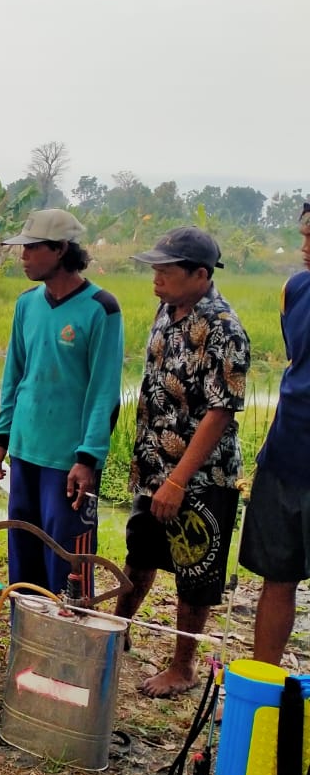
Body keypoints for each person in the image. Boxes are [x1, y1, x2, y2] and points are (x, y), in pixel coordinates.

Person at [113, 227, 250, 697]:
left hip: (200, 476)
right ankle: (115, 634)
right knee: (141, 553)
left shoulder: (223, 328)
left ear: (199, 274)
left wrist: (177, 480)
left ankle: (183, 666)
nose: (156, 276)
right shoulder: (166, 311)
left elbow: (221, 411)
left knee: (197, 570)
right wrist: (157, 474)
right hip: (154, 465)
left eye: (166, 270)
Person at [0, 209, 123, 598]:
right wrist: (1, 438)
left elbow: (104, 391)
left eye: (31, 248)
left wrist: (88, 458)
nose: (22, 256)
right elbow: (14, 376)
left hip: (67, 462)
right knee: (23, 553)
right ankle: (26, 639)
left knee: (68, 563)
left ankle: (70, 643)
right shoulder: (27, 305)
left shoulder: (101, 309)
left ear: (60, 250)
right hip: (26, 451)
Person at [242, 204, 310, 667]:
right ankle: (261, 686)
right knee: (276, 576)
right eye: (304, 235)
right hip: (286, 455)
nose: (304, 248)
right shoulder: (296, 290)